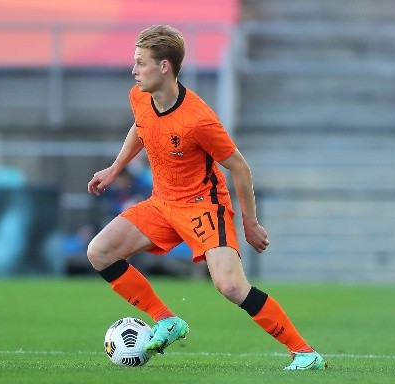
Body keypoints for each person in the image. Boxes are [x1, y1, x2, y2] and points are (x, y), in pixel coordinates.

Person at [86, 25, 326, 371]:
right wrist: (114, 168)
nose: (134, 70)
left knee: (230, 286)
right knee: (99, 252)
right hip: (162, 203)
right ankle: (166, 320)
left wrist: (250, 222)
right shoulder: (140, 96)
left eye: (141, 63)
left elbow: (240, 168)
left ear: (164, 66)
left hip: (203, 206)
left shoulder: (198, 119)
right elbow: (141, 126)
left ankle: (304, 353)